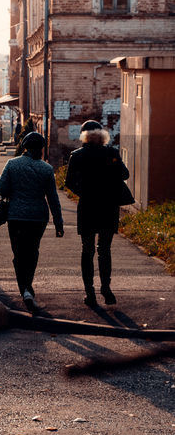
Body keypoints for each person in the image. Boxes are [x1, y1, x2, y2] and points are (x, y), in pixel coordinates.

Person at [0, 131, 64, 315]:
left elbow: (1, 189)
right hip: (37, 218)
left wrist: (14, 192)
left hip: (16, 216)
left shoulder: (12, 164)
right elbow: (53, 198)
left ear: (25, 147)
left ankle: (25, 290)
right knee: (32, 252)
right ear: (41, 149)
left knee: (18, 254)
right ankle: (27, 287)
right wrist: (59, 223)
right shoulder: (46, 169)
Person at [64, 119, 130, 308]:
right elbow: (125, 175)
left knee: (87, 250)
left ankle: (90, 292)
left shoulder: (77, 155)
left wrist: (83, 192)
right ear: (102, 135)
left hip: (87, 207)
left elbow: (69, 182)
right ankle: (106, 290)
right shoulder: (111, 153)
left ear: (83, 136)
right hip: (108, 207)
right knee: (105, 250)